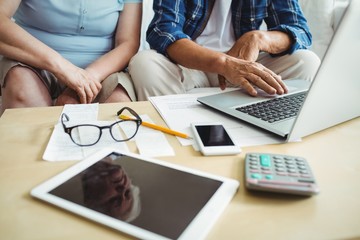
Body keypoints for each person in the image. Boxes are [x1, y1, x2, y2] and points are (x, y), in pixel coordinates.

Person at [128, 0, 321, 101]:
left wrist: (258, 38)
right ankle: (173, 135)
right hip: (190, 64)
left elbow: (300, 31)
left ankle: (269, 126)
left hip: (246, 64)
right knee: (145, 63)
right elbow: (163, 31)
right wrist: (223, 63)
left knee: (307, 62)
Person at [0, 0, 142, 115]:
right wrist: (63, 69)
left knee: (119, 103)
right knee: (22, 90)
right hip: (34, 63)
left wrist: (86, 80)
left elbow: (128, 43)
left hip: (103, 71)